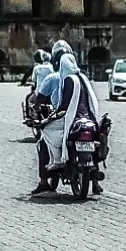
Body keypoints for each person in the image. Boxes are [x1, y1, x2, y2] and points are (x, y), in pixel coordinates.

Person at [33, 50, 103, 196]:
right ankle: (95, 181)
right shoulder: (83, 78)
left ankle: (56, 162)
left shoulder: (69, 80)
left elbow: (64, 105)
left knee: (46, 132)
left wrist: (48, 119)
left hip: (73, 118)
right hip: (89, 118)